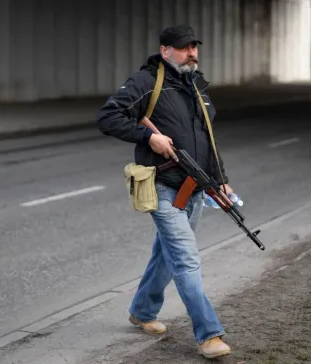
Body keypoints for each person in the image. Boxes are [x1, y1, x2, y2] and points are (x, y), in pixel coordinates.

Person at [96, 24, 232, 359]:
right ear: (165, 50)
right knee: (185, 258)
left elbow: (207, 139)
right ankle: (209, 334)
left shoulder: (196, 85)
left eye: (194, 47)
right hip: (161, 186)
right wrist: (148, 137)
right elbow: (108, 116)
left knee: (166, 256)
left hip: (196, 188)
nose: (192, 53)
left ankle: (142, 311)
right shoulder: (146, 82)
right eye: (185, 48)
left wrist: (221, 179)